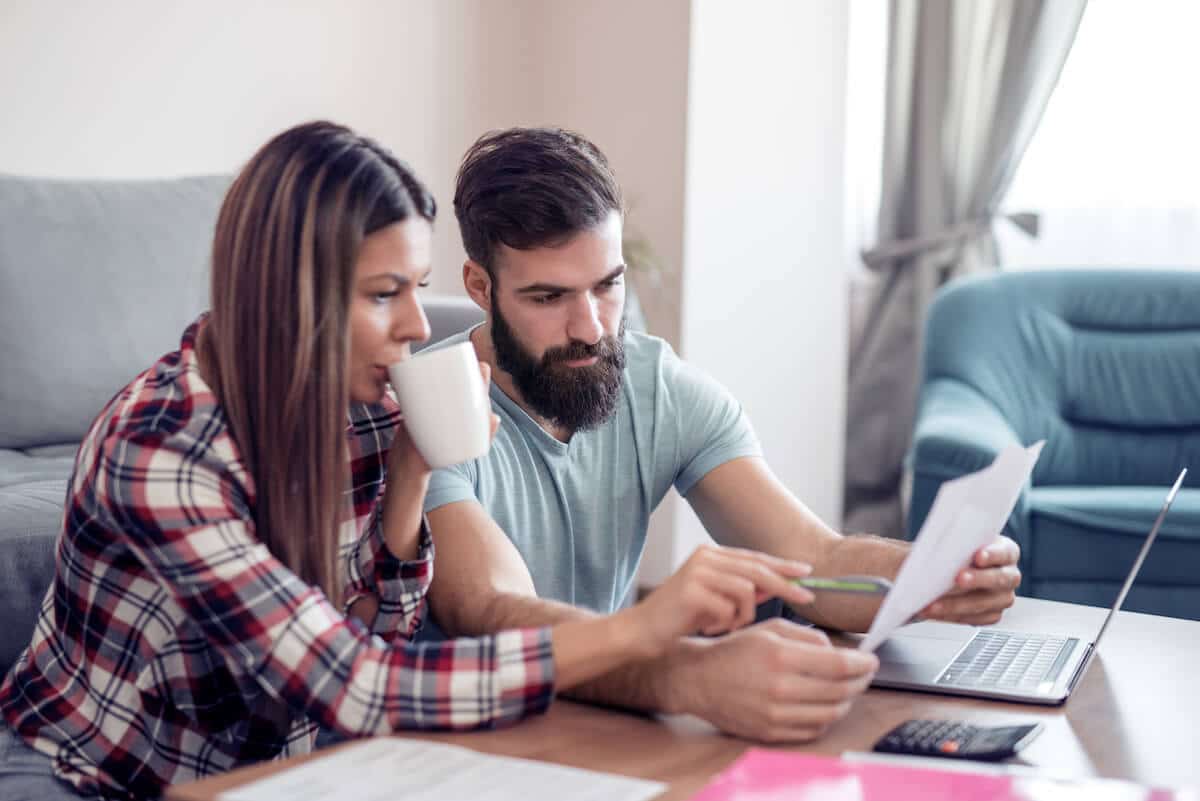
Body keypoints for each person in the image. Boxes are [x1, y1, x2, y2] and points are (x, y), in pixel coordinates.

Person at [0, 121, 817, 800]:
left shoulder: (368, 406)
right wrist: (642, 630)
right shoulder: (161, 453)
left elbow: (382, 631)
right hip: (96, 776)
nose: (420, 327)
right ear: (288, 292)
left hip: (274, 773)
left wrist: (411, 475)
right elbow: (357, 684)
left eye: (419, 288)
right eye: (385, 293)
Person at [420, 127, 1024, 743]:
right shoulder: (428, 408)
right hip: (469, 738)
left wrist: (934, 575)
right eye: (549, 297)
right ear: (480, 286)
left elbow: (813, 562)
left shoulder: (659, 387)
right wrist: (688, 676)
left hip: (601, 724)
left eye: (607, 285)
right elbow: (489, 612)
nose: (591, 328)